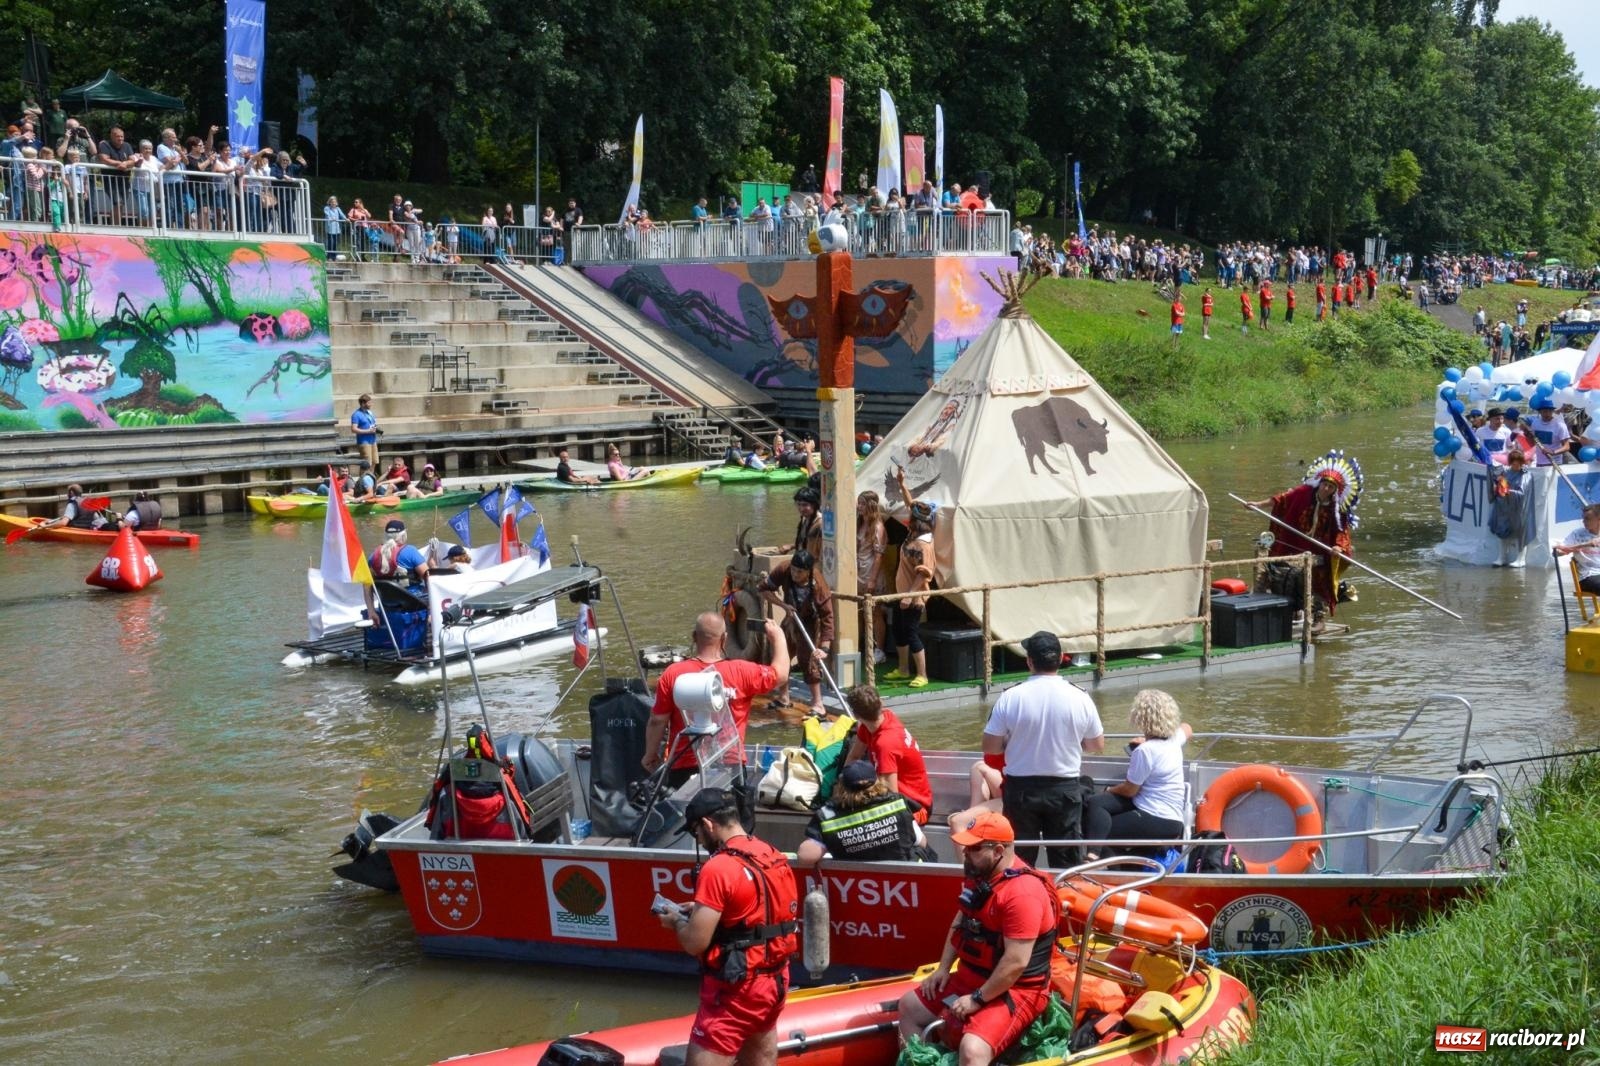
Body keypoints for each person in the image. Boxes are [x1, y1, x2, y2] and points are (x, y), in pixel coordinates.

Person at [895, 812, 1059, 1065]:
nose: (966, 853)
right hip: (973, 975)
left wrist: (977, 999)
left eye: (974, 848)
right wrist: (943, 968)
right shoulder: (981, 876)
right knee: (909, 1006)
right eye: (966, 846)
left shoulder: (1022, 894)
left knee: (973, 1050)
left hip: (1016, 989)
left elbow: (1016, 962)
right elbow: (960, 921)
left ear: (998, 851)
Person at [660, 787, 799, 1066]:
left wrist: (675, 921)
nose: (698, 838)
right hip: (775, 980)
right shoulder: (768, 852)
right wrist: (701, 910)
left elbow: (694, 943)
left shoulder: (718, 867)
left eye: (695, 832)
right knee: (760, 1057)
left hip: (736, 989)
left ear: (708, 824)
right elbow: (756, 912)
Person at [982, 631, 1105, 868]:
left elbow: (990, 747)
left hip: (1021, 791)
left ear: (1029, 661)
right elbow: (1096, 745)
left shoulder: (1010, 697)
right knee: (1066, 864)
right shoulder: (1080, 697)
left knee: (1017, 861)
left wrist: (1014, 741)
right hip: (1064, 791)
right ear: (1060, 659)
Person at [643, 612, 790, 786]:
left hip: (684, 767)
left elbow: (657, 720)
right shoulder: (742, 671)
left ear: (694, 637)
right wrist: (778, 637)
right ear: (725, 638)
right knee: (731, 812)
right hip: (731, 766)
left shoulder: (673, 674)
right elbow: (780, 674)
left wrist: (650, 755)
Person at [1245, 458, 1358, 630]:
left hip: (1320, 548)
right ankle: (1290, 608)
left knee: (1321, 577)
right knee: (1281, 569)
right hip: (1296, 541)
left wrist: (1338, 547)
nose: (1326, 489)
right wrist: (1258, 504)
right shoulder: (1303, 492)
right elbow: (1282, 499)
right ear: (1319, 483)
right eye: (1324, 484)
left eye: (1330, 487)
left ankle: (1319, 616)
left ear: (1335, 490)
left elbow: (1342, 531)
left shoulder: (1336, 508)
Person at [1083, 690, 1192, 861]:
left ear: (1141, 719)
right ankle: (1095, 853)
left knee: (1098, 830)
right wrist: (1148, 740)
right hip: (1170, 816)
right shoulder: (1174, 740)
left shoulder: (1144, 751)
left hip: (1157, 817)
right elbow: (1187, 728)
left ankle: (1107, 862)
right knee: (1096, 802)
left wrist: (1110, 789)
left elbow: (1129, 790)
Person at [797, 760, 926, 865]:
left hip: (852, 886)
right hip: (902, 883)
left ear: (841, 787)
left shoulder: (828, 816)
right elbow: (921, 842)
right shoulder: (897, 803)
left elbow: (805, 857)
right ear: (877, 782)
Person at [759, 550, 835, 714]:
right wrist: (783, 605)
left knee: (808, 660)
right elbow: (764, 589)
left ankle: (818, 704)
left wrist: (825, 648)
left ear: (808, 572)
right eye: (794, 569)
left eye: (799, 571)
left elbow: (828, 616)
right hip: (791, 617)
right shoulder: (784, 569)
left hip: (810, 621)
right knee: (781, 654)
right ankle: (784, 697)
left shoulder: (818, 585)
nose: (795, 574)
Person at [843, 684, 932, 821]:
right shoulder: (881, 720)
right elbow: (854, 756)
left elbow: (891, 796)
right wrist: (843, 784)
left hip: (916, 807)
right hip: (898, 796)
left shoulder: (885, 744)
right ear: (881, 704)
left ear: (855, 715)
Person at [886, 466, 937, 688]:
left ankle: (922, 674)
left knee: (912, 633)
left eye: (910, 517)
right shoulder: (913, 533)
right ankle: (904, 668)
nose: (907, 517)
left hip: (914, 596)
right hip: (902, 592)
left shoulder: (923, 544)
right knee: (898, 630)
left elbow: (923, 575)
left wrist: (909, 596)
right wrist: (901, 483)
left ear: (916, 522)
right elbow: (910, 503)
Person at [857, 490, 888, 663]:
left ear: (870, 505)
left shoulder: (878, 527)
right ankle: (861, 646)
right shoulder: (859, 523)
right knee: (860, 612)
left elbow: (879, 556)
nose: (859, 507)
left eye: (862, 504)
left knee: (876, 612)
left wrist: (873, 579)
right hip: (859, 572)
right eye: (858, 503)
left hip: (871, 572)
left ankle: (880, 650)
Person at [1488, 450, 1533, 567]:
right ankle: (1502, 557)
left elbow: (1522, 493)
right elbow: (1499, 486)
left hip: (1519, 508)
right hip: (1504, 506)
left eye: (1518, 463)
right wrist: (1497, 487)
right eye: (1513, 463)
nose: (1516, 466)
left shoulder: (1526, 474)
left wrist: (1508, 491)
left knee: (1521, 531)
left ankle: (1521, 559)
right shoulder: (1505, 473)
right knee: (1501, 530)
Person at [1555, 503, 1600, 594]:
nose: (1583, 521)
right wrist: (1585, 545)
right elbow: (1556, 552)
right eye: (1583, 518)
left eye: (1587, 519)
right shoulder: (1577, 534)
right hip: (1587, 576)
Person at [370, 519, 429, 585]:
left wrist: (368, 596)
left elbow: (367, 582)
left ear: (385, 535)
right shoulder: (411, 551)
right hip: (412, 594)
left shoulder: (373, 556)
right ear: (403, 535)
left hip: (384, 595)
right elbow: (427, 576)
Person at [42, 483, 115, 530]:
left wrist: (45, 527)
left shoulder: (72, 504)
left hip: (79, 529)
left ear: (71, 493)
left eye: (68, 492)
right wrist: (50, 522)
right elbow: (98, 519)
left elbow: (63, 523)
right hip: (89, 528)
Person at [1525, 397, 1571, 466]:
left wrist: (1553, 452)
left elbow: (1567, 447)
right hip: (1539, 462)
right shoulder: (1535, 423)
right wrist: (1527, 435)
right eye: (1545, 411)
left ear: (1552, 411)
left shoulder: (1560, 425)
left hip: (1555, 463)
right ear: (1540, 411)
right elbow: (1533, 442)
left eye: (1550, 411)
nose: (1547, 413)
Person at [783, 485, 822, 559]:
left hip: (813, 564)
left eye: (805, 505)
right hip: (802, 562)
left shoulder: (820, 524)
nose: (801, 508)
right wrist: (792, 546)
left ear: (814, 505)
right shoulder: (805, 519)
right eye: (799, 504)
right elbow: (806, 540)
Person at [351, 394, 380, 469]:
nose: (371, 404)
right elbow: (353, 429)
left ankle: (370, 480)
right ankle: (364, 480)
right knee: (366, 464)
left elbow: (372, 424)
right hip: (364, 442)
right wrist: (368, 431)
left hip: (373, 440)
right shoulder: (356, 415)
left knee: (374, 462)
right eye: (369, 403)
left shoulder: (370, 413)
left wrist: (376, 429)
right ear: (363, 404)